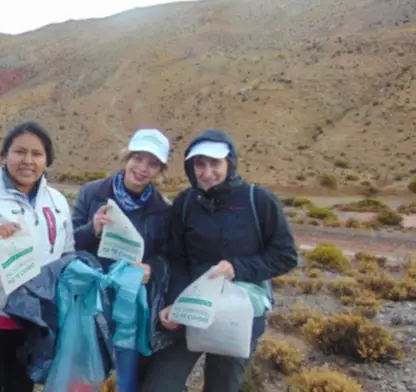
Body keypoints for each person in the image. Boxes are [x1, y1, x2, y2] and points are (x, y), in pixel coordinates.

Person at [140, 129, 299, 392]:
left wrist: (237, 268)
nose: (207, 172)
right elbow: (177, 258)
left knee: (222, 386)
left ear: (230, 163)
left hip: (238, 314)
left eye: (215, 163)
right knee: (160, 384)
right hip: (192, 309)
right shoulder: (186, 202)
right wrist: (174, 302)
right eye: (199, 164)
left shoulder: (259, 201)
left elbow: (285, 255)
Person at [0, 121, 75, 392]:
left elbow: (66, 254)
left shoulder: (57, 201)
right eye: (20, 151)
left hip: (34, 320)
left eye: (37, 154)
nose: (28, 161)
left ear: (47, 161)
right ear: (4, 155)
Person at [71, 129, 173, 392]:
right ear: (126, 158)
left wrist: (152, 268)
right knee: (85, 369)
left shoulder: (163, 209)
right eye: (138, 158)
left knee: (126, 374)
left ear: (160, 170)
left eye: (152, 164)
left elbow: (167, 255)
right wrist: (92, 228)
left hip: (131, 303)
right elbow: (67, 242)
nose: (142, 168)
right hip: (90, 299)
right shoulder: (92, 193)